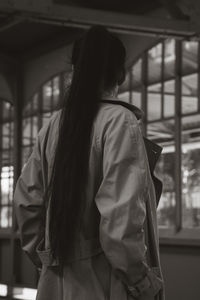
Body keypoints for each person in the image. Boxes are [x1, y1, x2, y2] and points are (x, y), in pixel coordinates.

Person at [13, 25, 165, 300]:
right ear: (120, 72)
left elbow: (26, 203)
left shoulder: (53, 125)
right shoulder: (120, 121)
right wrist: (143, 284)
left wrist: (47, 259)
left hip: (53, 284)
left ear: (75, 69)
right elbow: (121, 223)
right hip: (108, 285)